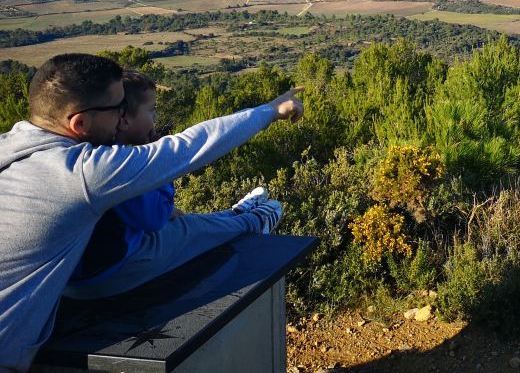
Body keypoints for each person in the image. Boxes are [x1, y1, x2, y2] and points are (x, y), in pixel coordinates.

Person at [0, 53, 303, 372]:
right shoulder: (84, 172)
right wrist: (271, 110)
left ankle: (241, 216)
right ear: (80, 123)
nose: (122, 117)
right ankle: (250, 220)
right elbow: (191, 147)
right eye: (118, 109)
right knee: (182, 234)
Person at [63, 70, 276, 299]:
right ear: (124, 119)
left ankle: (232, 214)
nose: (155, 117)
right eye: (152, 110)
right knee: (185, 230)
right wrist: (161, 172)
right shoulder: (116, 166)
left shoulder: (91, 154)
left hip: (81, 274)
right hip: (107, 276)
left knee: (185, 220)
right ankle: (253, 222)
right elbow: (155, 218)